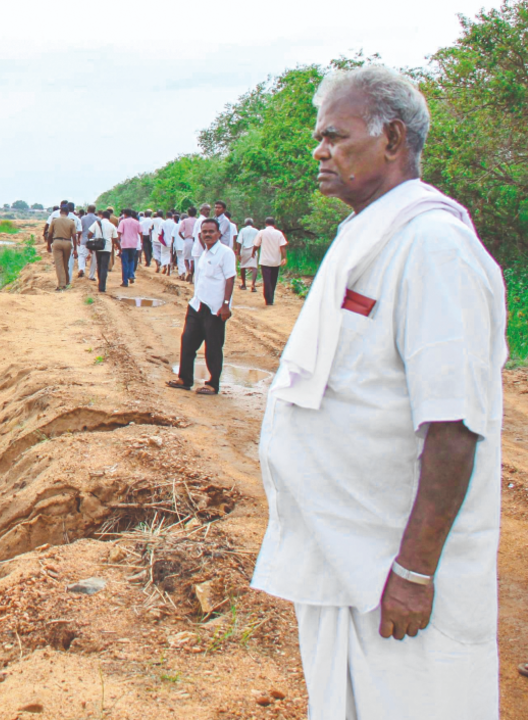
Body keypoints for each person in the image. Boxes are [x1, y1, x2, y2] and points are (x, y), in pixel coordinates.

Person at [250, 64, 505, 720]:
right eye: (319, 137)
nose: (319, 151)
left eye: (335, 136)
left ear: (392, 139)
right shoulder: (368, 234)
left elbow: (453, 425)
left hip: (392, 569)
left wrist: (415, 573)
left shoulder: (434, 247)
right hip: (344, 556)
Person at [167, 218, 234, 394]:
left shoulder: (225, 253)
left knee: (213, 347)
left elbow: (230, 279)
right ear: (200, 234)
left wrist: (226, 305)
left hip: (215, 308)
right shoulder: (204, 253)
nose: (208, 235)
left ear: (219, 234)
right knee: (187, 341)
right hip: (197, 304)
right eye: (205, 232)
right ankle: (185, 379)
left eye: (211, 231)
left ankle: (213, 384)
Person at [256, 217, 288, 305]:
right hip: (275, 261)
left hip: (265, 261)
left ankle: (268, 298)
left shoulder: (262, 232)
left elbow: (256, 244)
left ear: (266, 223)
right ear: (274, 224)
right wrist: (284, 258)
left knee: (266, 280)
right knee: (273, 280)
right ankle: (271, 298)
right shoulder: (279, 233)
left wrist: (253, 252)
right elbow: (282, 246)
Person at [48, 199, 77, 291]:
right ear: (68, 213)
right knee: (65, 263)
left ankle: (61, 285)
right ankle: (67, 282)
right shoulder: (71, 222)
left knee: (59, 264)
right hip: (68, 243)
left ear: (60, 212)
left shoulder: (54, 221)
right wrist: (75, 249)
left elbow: (50, 234)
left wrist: (48, 245)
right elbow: (74, 236)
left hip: (57, 242)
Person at [89, 209, 118, 292]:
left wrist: (92, 242)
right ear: (109, 217)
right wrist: (118, 247)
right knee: (104, 267)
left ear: (102, 216)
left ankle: (100, 282)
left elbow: (89, 234)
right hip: (107, 248)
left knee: (99, 265)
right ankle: (102, 286)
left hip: (98, 247)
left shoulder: (97, 223)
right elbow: (115, 239)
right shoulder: (112, 225)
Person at [116, 209, 142, 287]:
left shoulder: (123, 222)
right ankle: (131, 275)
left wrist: (117, 243)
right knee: (131, 260)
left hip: (124, 244)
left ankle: (125, 281)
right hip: (134, 244)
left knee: (124, 263)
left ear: (125, 214)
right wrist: (141, 242)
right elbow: (141, 233)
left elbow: (119, 233)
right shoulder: (136, 222)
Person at [77, 205, 99, 279]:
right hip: (94, 241)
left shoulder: (83, 218)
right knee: (94, 258)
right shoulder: (98, 219)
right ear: (94, 210)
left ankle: (81, 269)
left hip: (84, 240)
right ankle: (91, 275)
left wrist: (78, 239)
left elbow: (80, 230)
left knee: (82, 255)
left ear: (87, 210)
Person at [236, 218, 259, 291]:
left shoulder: (242, 230)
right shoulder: (256, 231)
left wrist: (238, 253)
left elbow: (239, 242)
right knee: (254, 267)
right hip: (253, 249)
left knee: (243, 266)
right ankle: (253, 285)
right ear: (252, 224)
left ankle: (243, 284)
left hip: (244, 249)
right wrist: (256, 249)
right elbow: (259, 242)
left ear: (245, 223)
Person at [177, 209, 196, 279]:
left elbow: (179, 232)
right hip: (195, 240)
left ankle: (188, 270)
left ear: (188, 213)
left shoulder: (185, 221)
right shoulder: (197, 221)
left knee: (185, 258)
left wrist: (184, 238)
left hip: (187, 240)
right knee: (192, 259)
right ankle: (191, 272)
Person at [161, 211, 179, 275]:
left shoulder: (163, 223)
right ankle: (169, 269)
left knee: (164, 255)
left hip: (164, 242)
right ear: (172, 216)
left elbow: (160, 233)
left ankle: (164, 267)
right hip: (172, 242)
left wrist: (162, 241)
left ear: (166, 216)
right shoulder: (174, 224)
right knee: (170, 256)